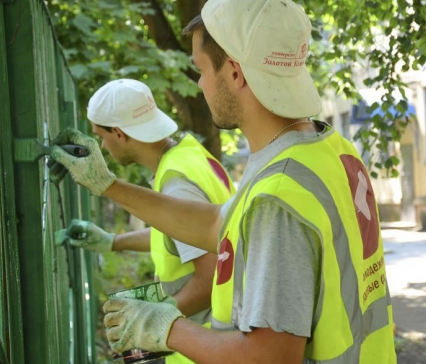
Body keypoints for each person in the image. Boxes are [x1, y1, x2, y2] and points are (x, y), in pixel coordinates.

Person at [50, 0, 397, 362]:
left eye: (200, 69)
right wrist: (108, 186)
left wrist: (166, 327)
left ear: (234, 72)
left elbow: (268, 358)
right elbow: (219, 224)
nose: (199, 83)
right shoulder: (329, 150)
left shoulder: (276, 198)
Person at [54, 78, 235, 364]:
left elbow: (210, 278)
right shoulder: (189, 155)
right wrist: (113, 241)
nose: (103, 144)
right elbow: (182, 236)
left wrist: (151, 319)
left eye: (101, 136)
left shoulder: (176, 182)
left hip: (204, 346)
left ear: (119, 133)